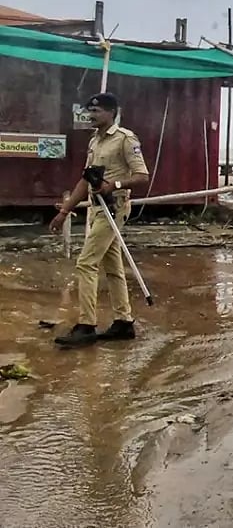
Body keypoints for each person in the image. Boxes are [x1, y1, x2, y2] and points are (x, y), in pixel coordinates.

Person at [48, 92, 150, 347]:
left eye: (96, 112)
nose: (91, 116)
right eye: (89, 111)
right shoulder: (95, 142)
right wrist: (64, 212)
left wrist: (113, 184)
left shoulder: (125, 139)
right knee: (113, 266)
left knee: (86, 263)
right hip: (96, 209)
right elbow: (86, 179)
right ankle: (123, 323)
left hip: (114, 208)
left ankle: (86, 325)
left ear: (110, 112)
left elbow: (141, 176)